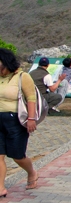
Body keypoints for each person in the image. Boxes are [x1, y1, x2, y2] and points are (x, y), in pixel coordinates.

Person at [0, 48, 39, 195]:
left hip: (15, 120)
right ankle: (1, 187)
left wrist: (31, 118)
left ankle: (31, 172)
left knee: (17, 155)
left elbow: (31, 98)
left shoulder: (22, 76)